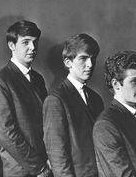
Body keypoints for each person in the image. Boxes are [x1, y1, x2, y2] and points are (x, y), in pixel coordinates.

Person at [0, 20, 52, 177]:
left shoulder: (38, 78)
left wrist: (49, 158)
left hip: (45, 163)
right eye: (26, 42)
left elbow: (46, 122)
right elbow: (6, 133)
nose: (33, 48)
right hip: (20, 169)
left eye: (35, 42)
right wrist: (38, 168)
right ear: (11, 45)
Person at [43, 33, 104, 177]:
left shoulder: (96, 98)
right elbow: (57, 154)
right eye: (83, 58)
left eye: (92, 58)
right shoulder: (56, 100)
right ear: (68, 62)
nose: (90, 64)